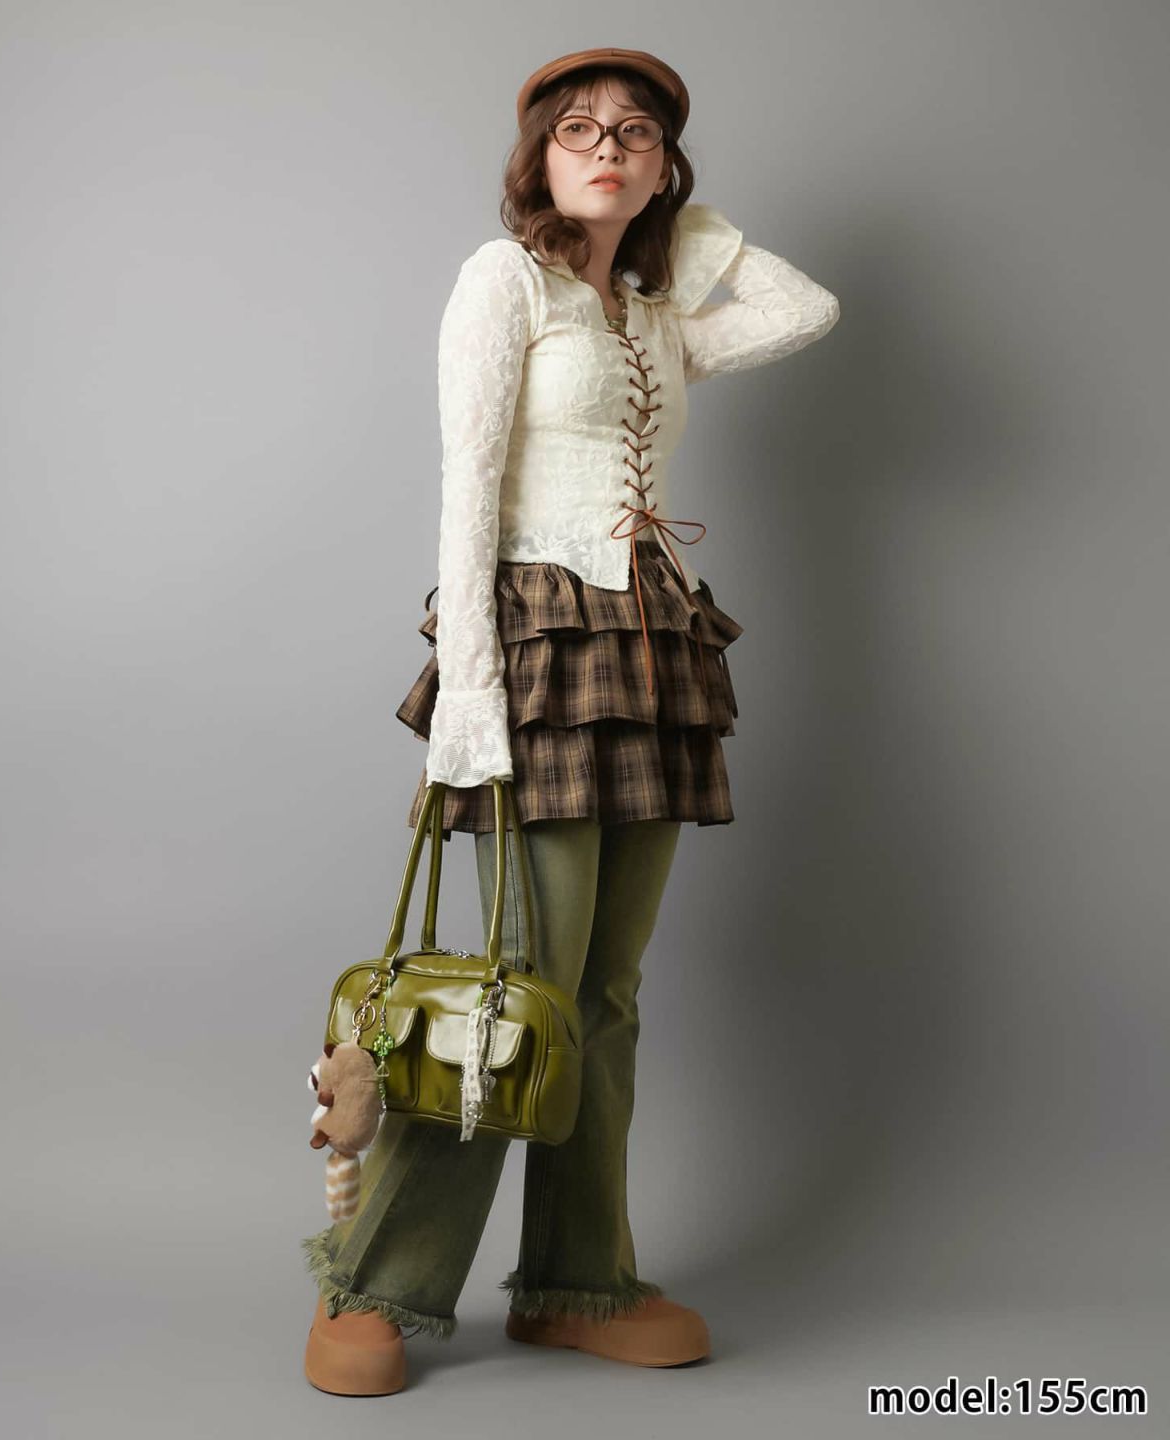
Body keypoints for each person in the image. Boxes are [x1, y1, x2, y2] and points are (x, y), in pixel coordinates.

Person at [302, 46, 840, 1394]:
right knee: (517, 985)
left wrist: (678, 229)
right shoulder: (506, 281)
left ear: (666, 168)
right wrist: (470, 699)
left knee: (604, 997)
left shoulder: (652, 314)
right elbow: (467, 491)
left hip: (653, 647)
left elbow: (802, 310)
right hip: (542, 647)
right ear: (538, 157)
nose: (609, 147)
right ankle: (377, 1283)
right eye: (582, 130)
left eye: (638, 134)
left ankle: (578, 1280)